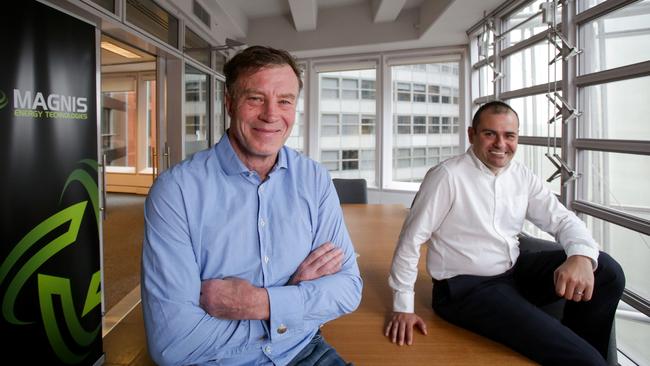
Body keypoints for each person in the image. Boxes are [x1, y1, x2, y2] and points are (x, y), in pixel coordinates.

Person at [141, 45, 362, 366]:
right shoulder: (176, 191)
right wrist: (294, 301)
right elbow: (174, 344)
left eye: (285, 101)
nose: (272, 114)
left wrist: (258, 302)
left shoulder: (314, 179)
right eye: (255, 98)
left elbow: (348, 290)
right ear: (229, 103)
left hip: (303, 350)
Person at [384, 101, 625, 365]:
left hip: (513, 271)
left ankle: (581, 348)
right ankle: (583, 357)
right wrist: (402, 307)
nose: (501, 144)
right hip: (466, 289)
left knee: (608, 271)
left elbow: (562, 219)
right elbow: (411, 240)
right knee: (585, 360)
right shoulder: (446, 176)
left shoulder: (521, 175)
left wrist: (580, 255)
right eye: (490, 134)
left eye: (509, 135)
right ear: (472, 135)